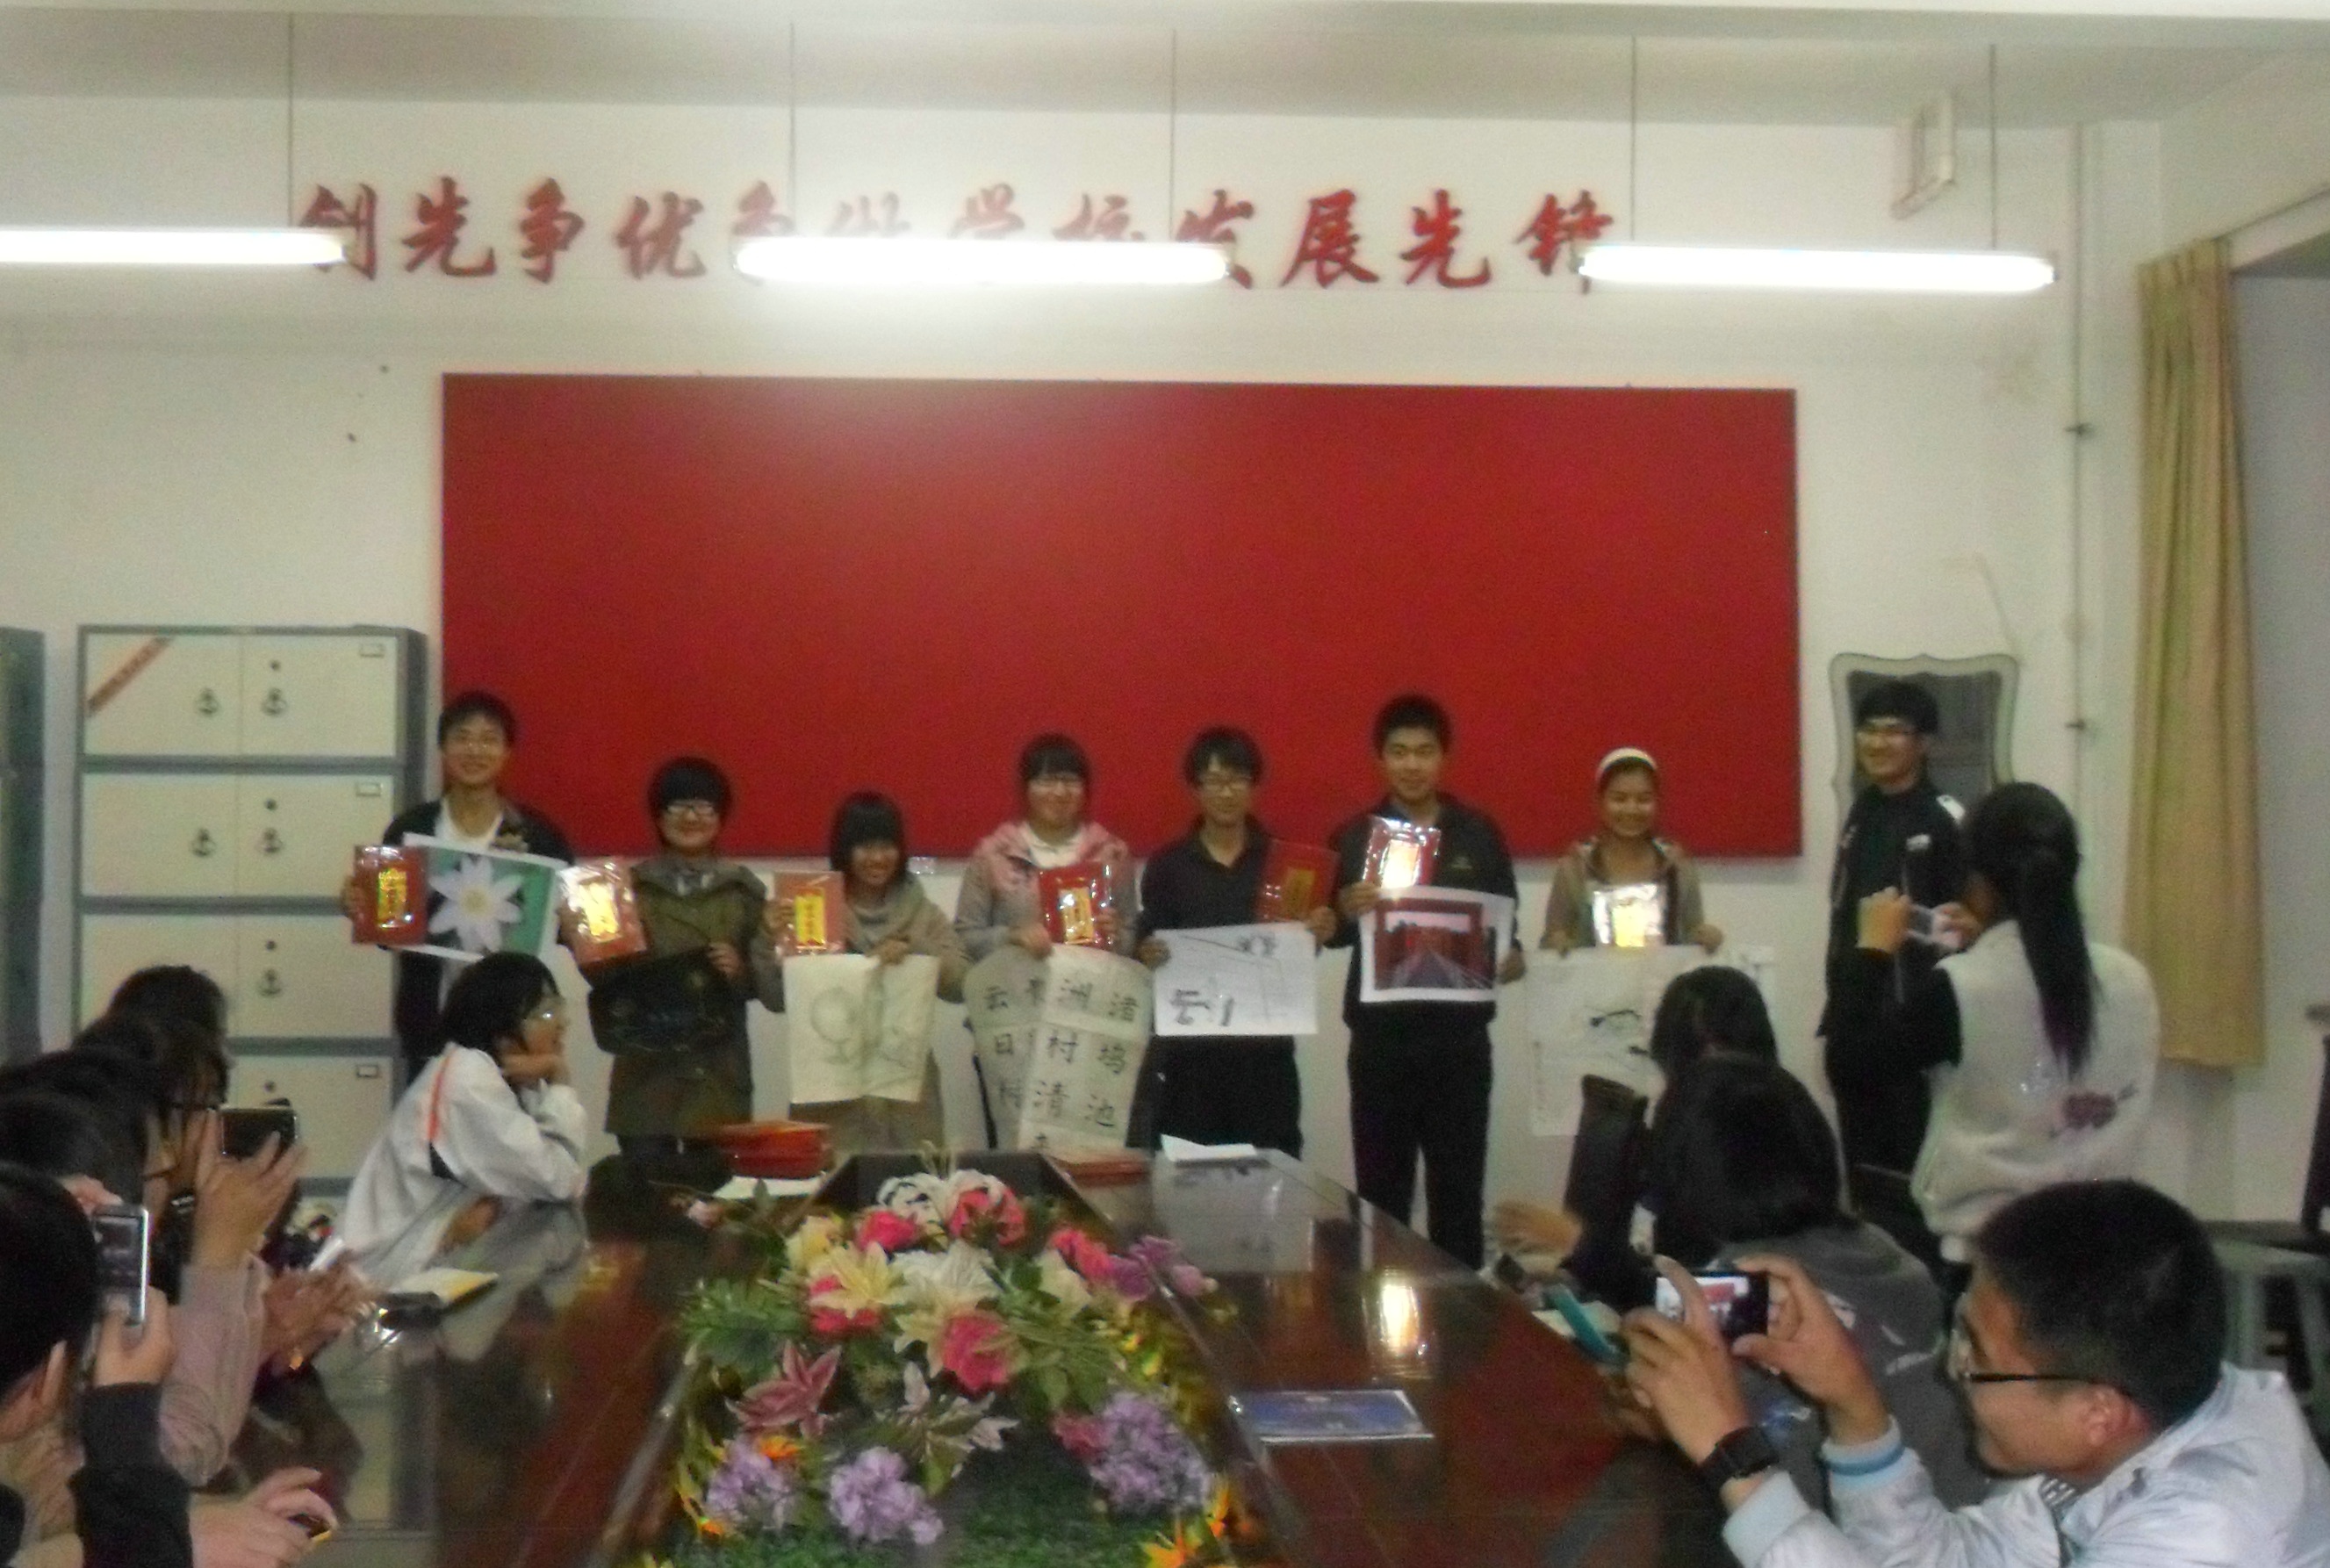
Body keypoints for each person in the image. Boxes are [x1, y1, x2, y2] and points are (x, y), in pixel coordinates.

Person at [1622, 1180, 2330, 1568]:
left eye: (1979, 1361)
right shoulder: (2137, 1430)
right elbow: (1949, 1560)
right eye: (1961, 1332)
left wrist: (1735, 1458)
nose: (1954, 1369)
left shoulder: (2203, 1537)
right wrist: (1855, 1406)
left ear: (2097, 1412)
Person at [1827, 781, 2157, 1268]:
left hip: (1991, 1258)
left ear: (1979, 883)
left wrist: (1872, 951)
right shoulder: (2132, 979)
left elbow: (1849, 1064)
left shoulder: (1964, 986)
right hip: (2106, 1248)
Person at [1627, 1055, 1980, 1507]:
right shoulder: (1885, 1252)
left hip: (1836, 1522)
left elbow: (1698, 1435)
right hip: (1952, 1505)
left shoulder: (1730, 1293)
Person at [1327, 694, 1523, 1269]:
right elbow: (1330, 934)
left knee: (1458, 1197)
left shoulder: (1478, 834)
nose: (1412, 764)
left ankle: (1461, 1318)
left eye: (1424, 752)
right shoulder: (1354, 837)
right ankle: (1380, 1312)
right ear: (1380, 759)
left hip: (1459, 1046)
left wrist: (1512, 958)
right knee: (1381, 1198)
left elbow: (1507, 929)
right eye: (1399, 752)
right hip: (1380, 1045)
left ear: (1444, 758)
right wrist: (1343, 908)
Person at [341, 692, 573, 1077]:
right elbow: (389, 933)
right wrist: (361, 906)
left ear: (507, 751)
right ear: (443, 749)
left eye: (488, 740)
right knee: (432, 1116)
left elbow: (569, 929)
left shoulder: (538, 836)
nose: (474, 750)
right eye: (462, 738)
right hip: (431, 1022)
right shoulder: (411, 829)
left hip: (516, 1031)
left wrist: (569, 918)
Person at [1133, 728, 1339, 1157]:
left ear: (1254, 786)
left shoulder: (1285, 863)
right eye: (1214, 781)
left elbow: (1296, 948)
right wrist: (1146, 952)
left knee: (1274, 1178)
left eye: (1237, 780)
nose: (1226, 793)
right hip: (1191, 1064)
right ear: (1195, 788)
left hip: (1266, 1061)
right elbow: (1147, 942)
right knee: (1191, 1184)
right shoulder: (1168, 866)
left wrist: (1316, 934)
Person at [340, 953, 586, 1287]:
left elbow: (558, 1176)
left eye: (559, 1008)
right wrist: (560, 1078)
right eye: (545, 1012)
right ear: (502, 1032)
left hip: (423, 1267)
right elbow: (557, 1179)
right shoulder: (467, 1081)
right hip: (380, 1280)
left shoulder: (507, 1082)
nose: (561, 1023)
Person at [1820, 680, 1967, 1198]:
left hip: (1912, 1032)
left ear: (1924, 743)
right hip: (1854, 1016)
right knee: (1864, 1177)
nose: (1878, 743)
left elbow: (1964, 926)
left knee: (1913, 1183)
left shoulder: (1945, 818)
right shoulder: (1862, 810)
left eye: (1894, 731)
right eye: (1869, 730)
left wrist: (1910, 924)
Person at [599, 758, 781, 1159]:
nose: (691, 817)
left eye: (704, 806)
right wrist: (584, 934)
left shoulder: (745, 891)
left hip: (718, 1071)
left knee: (717, 1191)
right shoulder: (624, 890)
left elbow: (772, 989)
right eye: (677, 806)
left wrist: (739, 971)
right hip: (646, 1073)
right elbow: (603, 981)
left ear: (721, 816)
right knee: (645, 1190)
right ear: (658, 815)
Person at [783, 792, 968, 1155]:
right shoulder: (814, 908)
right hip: (833, 1093)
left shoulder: (922, 913)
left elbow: (961, 983)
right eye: (865, 847)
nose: (878, 858)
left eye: (887, 846)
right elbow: (777, 996)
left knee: (912, 1185)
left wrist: (917, 948)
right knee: (837, 1185)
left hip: (907, 1095)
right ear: (845, 851)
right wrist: (769, 940)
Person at [955, 733, 1137, 964]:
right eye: (1047, 781)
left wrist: (1117, 935)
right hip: (1015, 981)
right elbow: (964, 937)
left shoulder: (1112, 854)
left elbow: (1131, 939)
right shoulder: (993, 855)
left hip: (1090, 982)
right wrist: (1011, 937)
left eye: (1070, 781)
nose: (1060, 792)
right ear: (1026, 788)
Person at [1543, 748, 1722, 953]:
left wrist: (1707, 938)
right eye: (1619, 799)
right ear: (1600, 802)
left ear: (1657, 802)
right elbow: (1551, 941)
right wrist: (1557, 942)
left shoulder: (1677, 867)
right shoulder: (1575, 868)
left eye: (1643, 800)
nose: (1631, 809)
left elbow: (1691, 936)